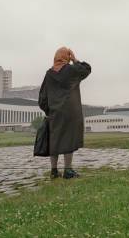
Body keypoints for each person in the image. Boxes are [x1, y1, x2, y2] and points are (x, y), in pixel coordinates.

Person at [38, 47, 91, 179]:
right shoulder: (72, 70)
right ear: (67, 57)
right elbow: (87, 69)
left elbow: (42, 98)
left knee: (54, 140)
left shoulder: (49, 74)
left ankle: (54, 171)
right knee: (69, 139)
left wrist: (49, 110)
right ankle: (68, 170)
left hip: (54, 113)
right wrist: (75, 60)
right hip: (71, 112)